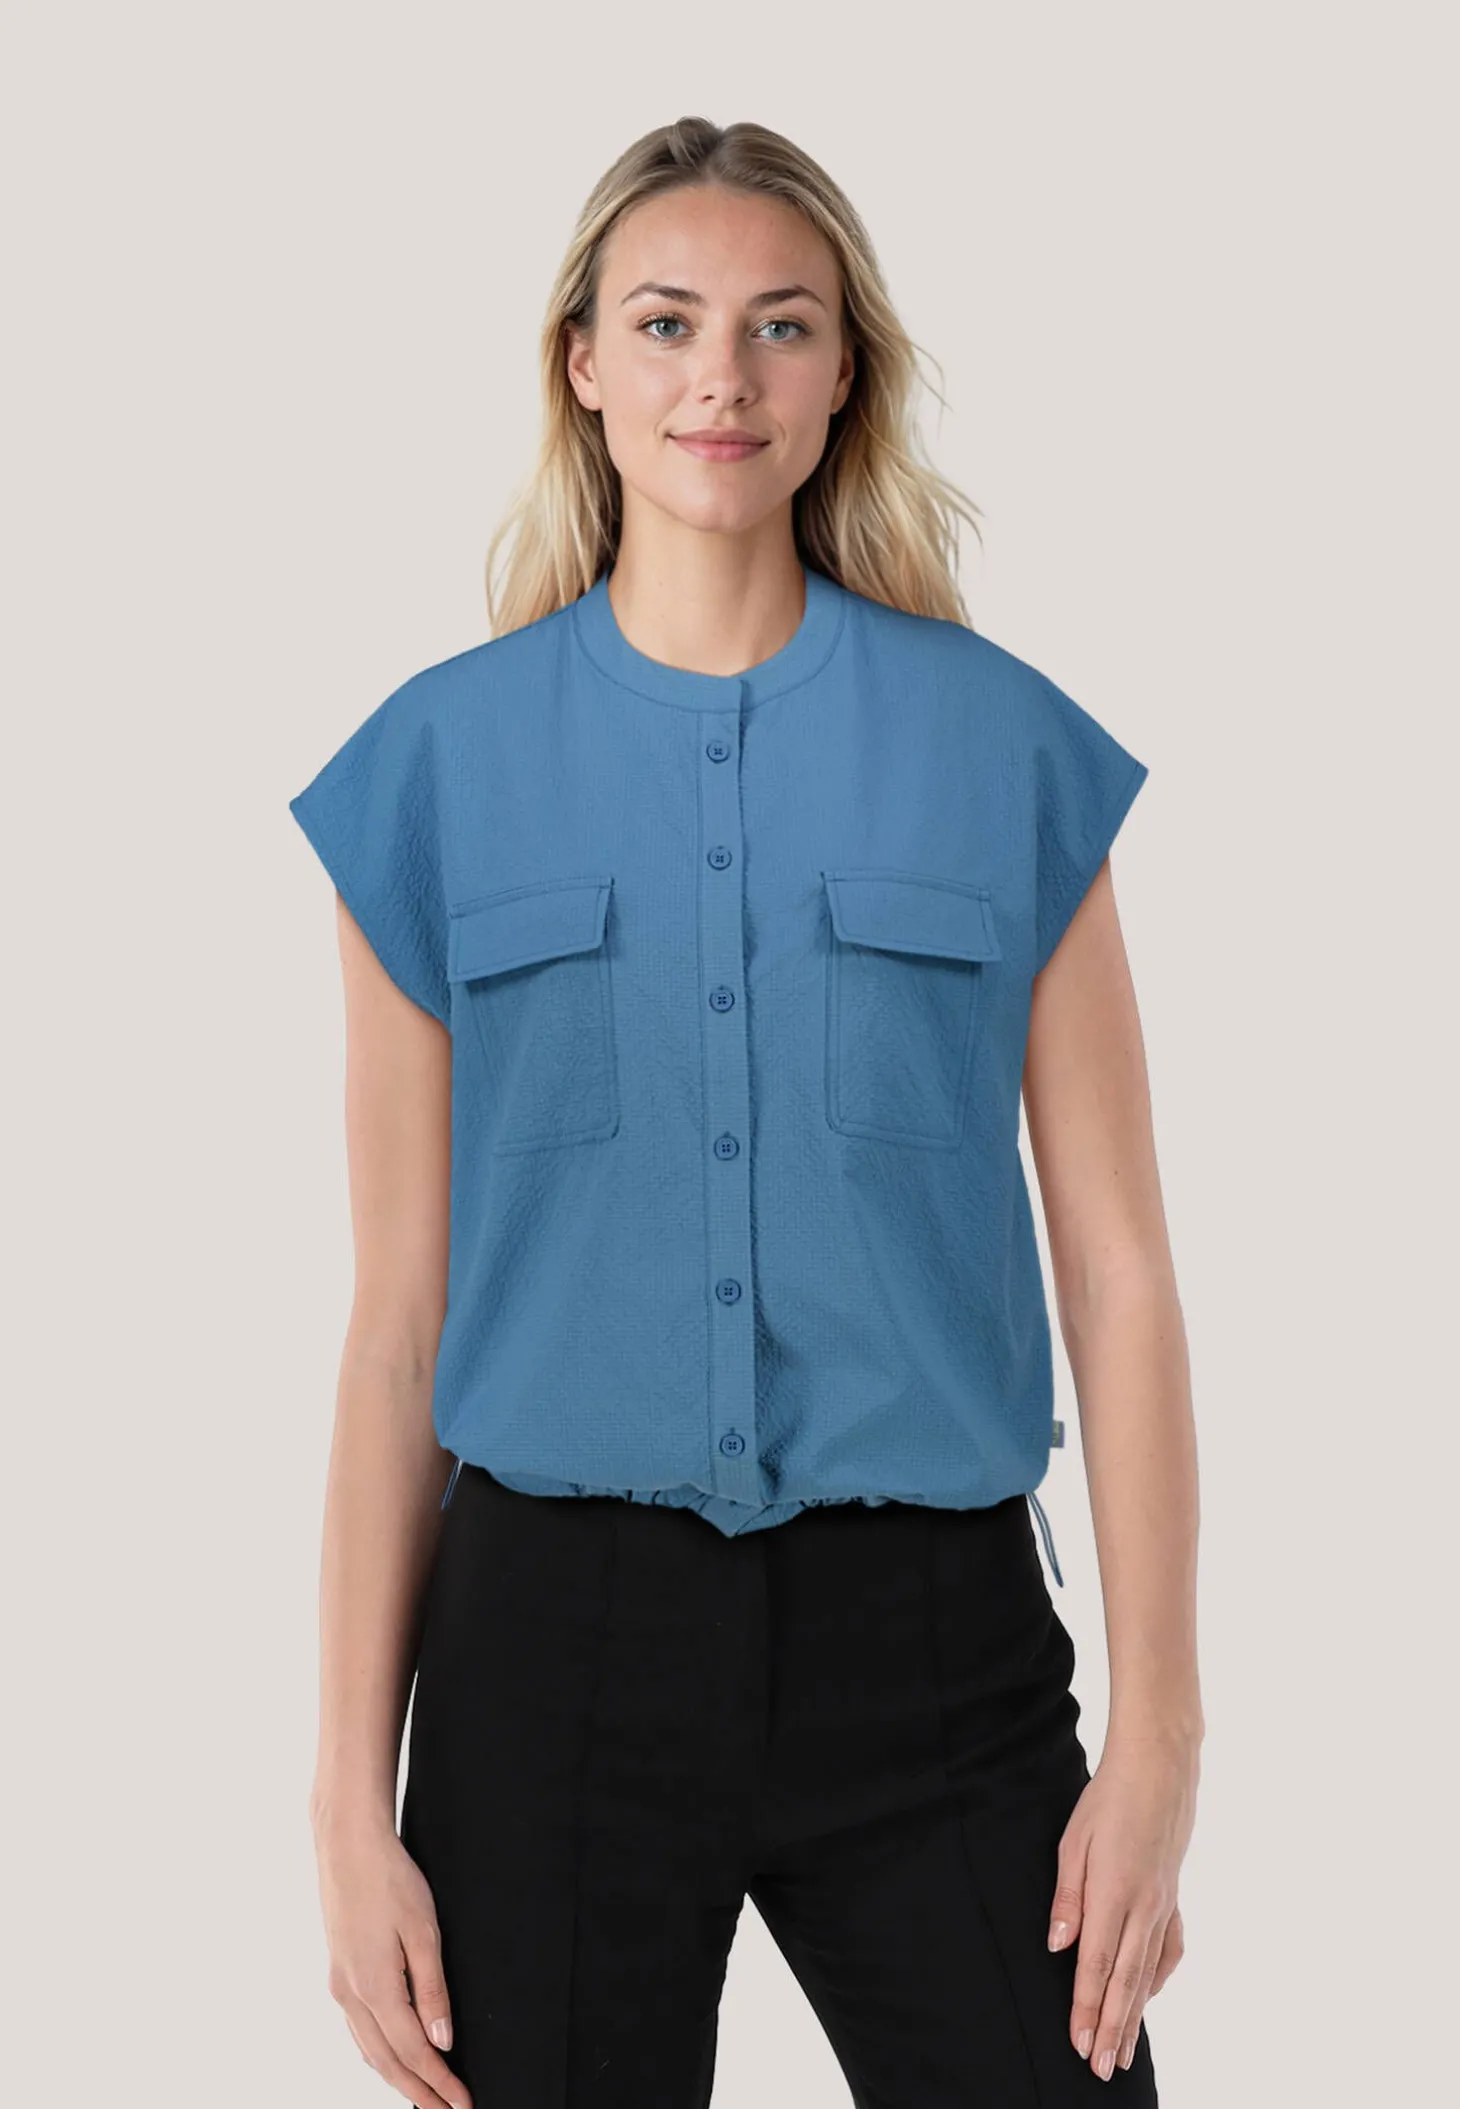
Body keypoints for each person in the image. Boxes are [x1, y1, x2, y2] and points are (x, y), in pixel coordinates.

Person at [289, 116, 1199, 2109]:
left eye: (781, 324)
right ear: (581, 365)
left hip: (935, 1649)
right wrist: (348, 1806)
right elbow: (397, 1324)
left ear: (845, 369)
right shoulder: (429, 773)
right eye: (667, 322)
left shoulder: (1005, 752)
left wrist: (1159, 1739)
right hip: (549, 1654)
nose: (723, 375)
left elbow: (1121, 1275)